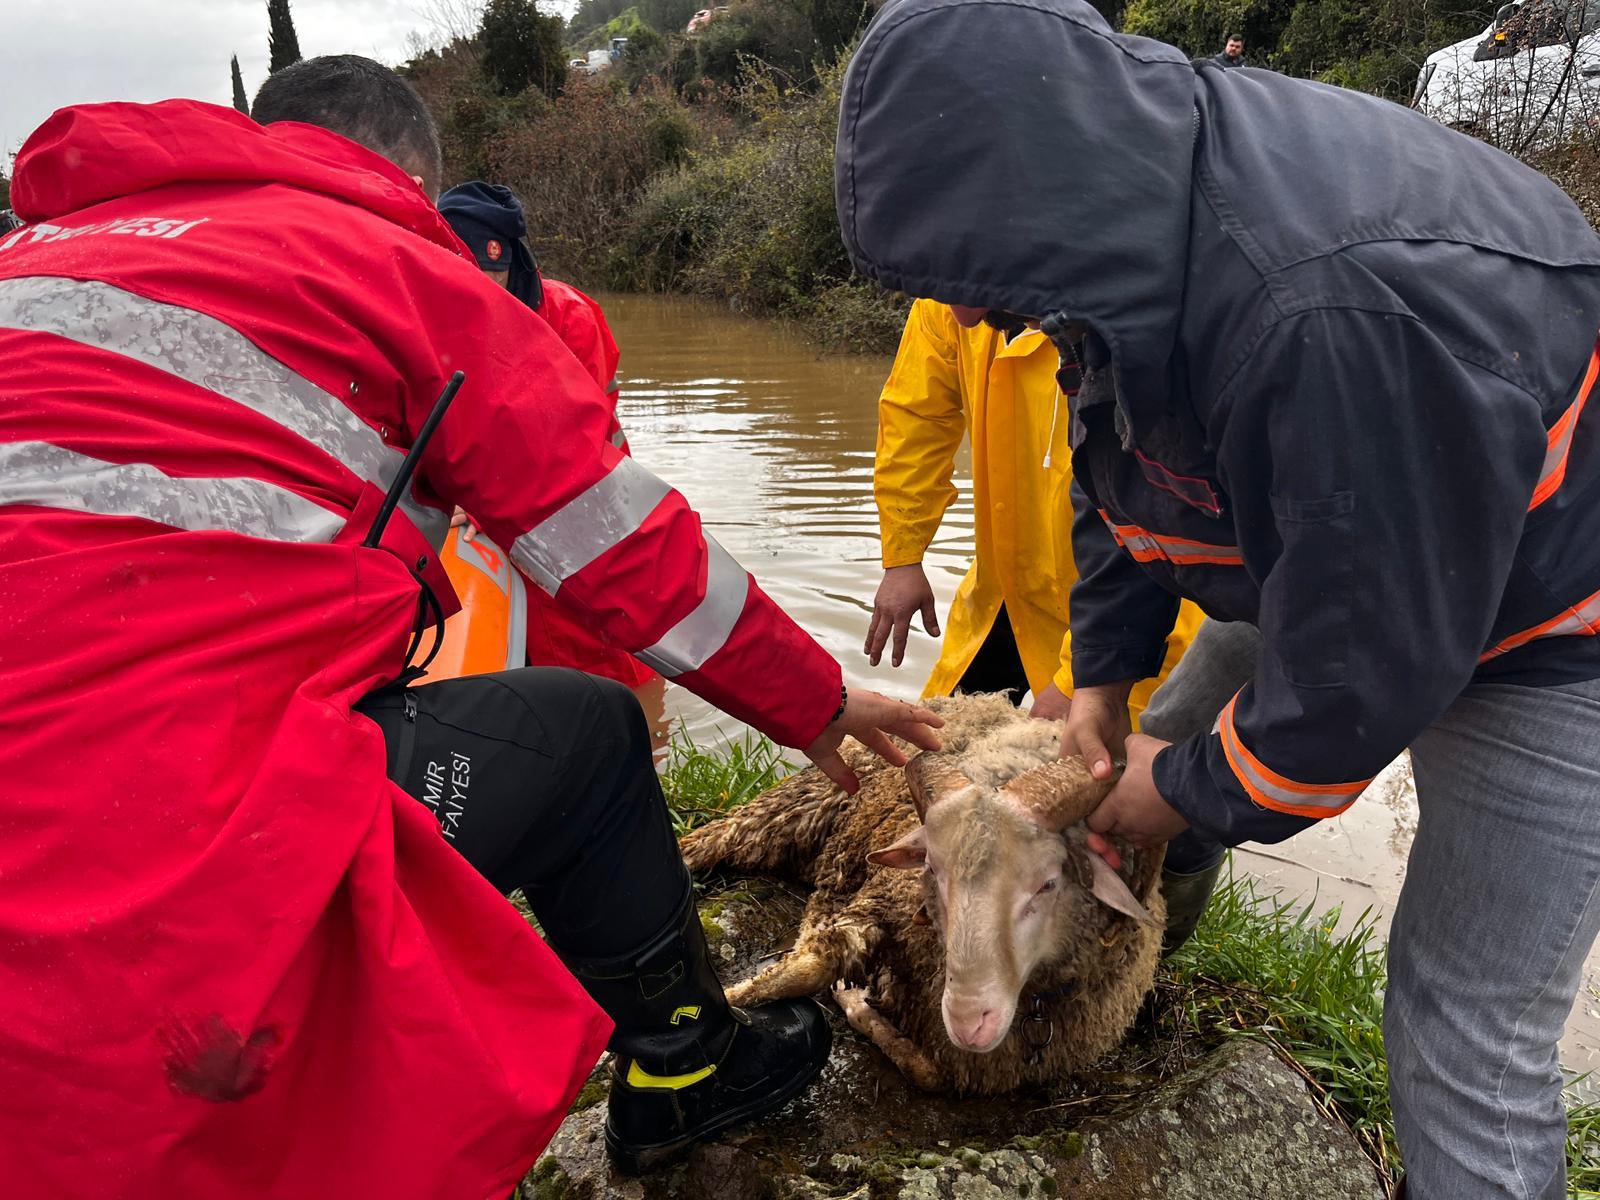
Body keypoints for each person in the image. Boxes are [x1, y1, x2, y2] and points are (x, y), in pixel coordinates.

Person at [0, 55, 941, 1198]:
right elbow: (622, 545)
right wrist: (814, 697)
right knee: (589, 737)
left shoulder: (31, 262)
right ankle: (689, 1066)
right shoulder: (394, 268)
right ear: (403, 174)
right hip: (179, 823)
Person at [833, 2, 1600, 1196]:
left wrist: (1177, 787)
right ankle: (1137, 928)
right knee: (1155, 751)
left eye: (970, 277)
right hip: (1352, 524)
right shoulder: (1121, 217)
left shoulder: (1318, 313)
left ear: (1035, 184)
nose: (972, 317)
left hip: (1559, 610)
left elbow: (1352, 682)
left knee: (1461, 1026)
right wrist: (1099, 684)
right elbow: (1115, 455)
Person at [868, 298, 1203, 721]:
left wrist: (1084, 676)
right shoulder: (945, 293)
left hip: (1127, 595)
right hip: (1006, 586)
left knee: (1115, 756)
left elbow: (1149, 502)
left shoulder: (1122, 308)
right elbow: (915, 421)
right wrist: (903, 557)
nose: (962, 317)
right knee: (935, 737)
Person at [438, 180, 662, 714]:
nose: (479, 289)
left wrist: (487, 502)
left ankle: (645, 738)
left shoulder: (570, 319)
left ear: (512, 265)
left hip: (592, 507)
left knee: (605, 650)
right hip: (503, 512)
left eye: (490, 274)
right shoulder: (435, 310)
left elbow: (567, 451)